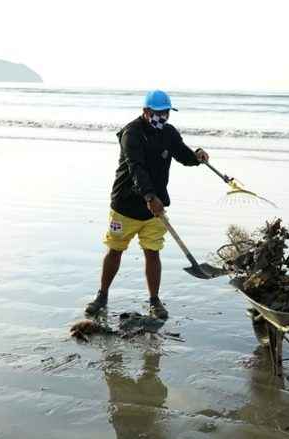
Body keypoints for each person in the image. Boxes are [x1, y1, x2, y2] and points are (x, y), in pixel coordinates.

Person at [85, 90, 209, 320]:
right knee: (115, 251)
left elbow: (183, 154)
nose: (162, 117)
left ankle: (154, 301)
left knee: (153, 253)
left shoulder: (169, 133)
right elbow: (136, 168)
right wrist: (150, 196)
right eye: (158, 113)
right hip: (126, 206)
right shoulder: (131, 134)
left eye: (166, 113)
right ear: (145, 111)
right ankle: (101, 296)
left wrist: (197, 157)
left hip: (156, 208)